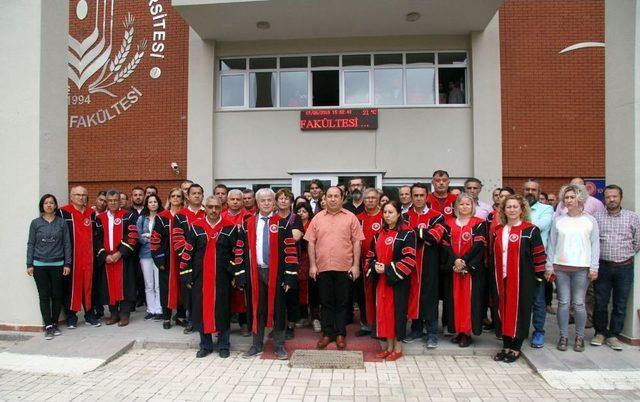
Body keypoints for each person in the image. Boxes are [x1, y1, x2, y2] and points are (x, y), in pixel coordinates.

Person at [238, 188, 299, 360]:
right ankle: (256, 345)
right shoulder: (248, 223)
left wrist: (289, 276)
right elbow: (241, 250)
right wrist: (241, 275)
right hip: (255, 272)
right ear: (257, 203)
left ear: (274, 203)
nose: (266, 203)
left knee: (279, 309)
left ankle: (279, 346)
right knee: (257, 309)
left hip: (276, 273)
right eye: (262, 200)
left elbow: (290, 251)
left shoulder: (282, 223)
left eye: (269, 200)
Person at [179, 196, 240, 359]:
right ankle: (205, 345)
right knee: (201, 309)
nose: (214, 210)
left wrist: (234, 272)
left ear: (222, 208)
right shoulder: (195, 227)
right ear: (205, 207)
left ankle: (224, 345)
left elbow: (238, 252)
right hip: (201, 277)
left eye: (217, 207)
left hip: (222, 277)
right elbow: (188, 252)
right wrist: (186, 275)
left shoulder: (230, 228)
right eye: (210, 207)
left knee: (223, 309)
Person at [305, 186, 365, 350]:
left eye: (335, 196)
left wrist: (355, 266)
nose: (332, 199)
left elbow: (357, 242)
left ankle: (340, 334)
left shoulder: (351, 217)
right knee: (326, 302)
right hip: (322, 267)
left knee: (342, 303)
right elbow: (311, 242)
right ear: (325, 198)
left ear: (342, 198)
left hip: (344, 267)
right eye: (329, 196)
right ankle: (327, 334)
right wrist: (312, 265)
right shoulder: (317, 218)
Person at [492, 195, 546, 363]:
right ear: (503, 210)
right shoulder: (499, 230)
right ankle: (506, 345)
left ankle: (516, 347)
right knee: (503, 310)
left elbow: (539, 255)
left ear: (522, 209)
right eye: (509, 207)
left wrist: (538, 277)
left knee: (520, 311)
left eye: (515, 207)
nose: (512, 210)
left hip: (523, 278)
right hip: (501, 278)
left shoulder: (530, 230)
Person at [546, 184, 599, 352]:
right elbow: (552, 245)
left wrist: (594, 267)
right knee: (563, 303)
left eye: (571, 197)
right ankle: (563, 336)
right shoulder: (559, 220)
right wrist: (549, 265)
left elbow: (595, 245)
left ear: (580, 199)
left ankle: (579, 337)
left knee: (578, 304)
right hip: (561, 267)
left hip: (581, 269)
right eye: (566, 198)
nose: (568, 200)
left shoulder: (590, 220)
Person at [365, 201, 416, 361]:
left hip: (398, 281)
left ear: (399, 214)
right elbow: (369, 257)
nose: (387, 215)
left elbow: (410, 260)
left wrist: (387, 268)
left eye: (391, 212)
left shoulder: (408, 234)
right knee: (384, 314)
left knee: (398, 314)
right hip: (381, 282)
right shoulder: (378, 234)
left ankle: (398, 348)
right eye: (385, 212)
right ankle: (388, 347)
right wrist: (374, 266)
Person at [592, 185, 640, 351]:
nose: (611, 199)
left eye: (614, 196)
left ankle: (613, 335)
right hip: (603, 266)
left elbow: (637, 241)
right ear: (604, 199)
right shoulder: (596, 217)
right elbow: (593, 241)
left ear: (620, 197)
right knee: (600, 302)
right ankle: (600, 332)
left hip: (624, 267)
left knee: (620, 303)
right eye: (608, 197)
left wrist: (625, 254)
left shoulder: (632, 217)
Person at [402, 183, 446, 348]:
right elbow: (403, 236)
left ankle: (432, 332)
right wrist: (422, 234)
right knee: (413, 295)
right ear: (411, 197)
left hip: (430, 263)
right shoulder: (405, 216)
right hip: (410, 263)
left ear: (427, 196)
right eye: (415, 195)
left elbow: (435, 237)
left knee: (430, 297)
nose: (418, 198)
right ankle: (416, 329)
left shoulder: (437, 216)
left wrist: (415, 233)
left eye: (422, 195)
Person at [442, 194, 486, 348]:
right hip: (453, 268)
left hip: (470, 270)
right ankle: (457, 331)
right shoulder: (449, 223)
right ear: (456, 207)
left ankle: (466, 332)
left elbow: (478, 246)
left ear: (472, 206)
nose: (465, 207)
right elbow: (445, 245)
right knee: (454, 300)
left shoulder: (479, 224)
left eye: (468, 204)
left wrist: (465, 262)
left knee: (468, 301)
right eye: (461, 204)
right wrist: (455, 260)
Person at [27, 194, 72, 339]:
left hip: (58, 264)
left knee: (57, 295)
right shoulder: (35, 223)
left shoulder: (61, 223)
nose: (49, 205)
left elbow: (66, 244)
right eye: (46, 203)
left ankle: (55, 323)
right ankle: (48, 326)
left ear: (55, 206)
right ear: (42, 206)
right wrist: (29, 263)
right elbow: (31, 244)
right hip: (39, 265)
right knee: (44, 296)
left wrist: (67, 263)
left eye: (52, 203)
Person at [94, 190, 139, 327]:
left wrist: (120, 253)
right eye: (110, 200)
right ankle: (113, 314)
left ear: (120, 201)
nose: (113, 203)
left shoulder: (128, 216)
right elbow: (97, 239)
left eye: (115, 200)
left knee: (125, 285)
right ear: (106, 202)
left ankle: (124, 314)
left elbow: (132, 235)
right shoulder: (100, 218)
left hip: (123, 258)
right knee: (108, 286)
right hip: (107, 259)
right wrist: (104, 255)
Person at [58, 186, 100, 328]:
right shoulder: (63, 213)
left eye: (83, 195)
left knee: (89, 286)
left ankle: (89, 315)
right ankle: (71, 316)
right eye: (77, 195)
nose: (81, 197)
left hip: (89, 258)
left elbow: (97, 235)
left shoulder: (91, 214)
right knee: (71, 286)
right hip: (72, 257)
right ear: (71, 196)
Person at [523, 179, 554, 348]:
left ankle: (539, 332)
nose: (530, 192)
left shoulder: (546, 209)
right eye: (527, 189)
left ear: (538, 192)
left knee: (538, 300)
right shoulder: (517, 208)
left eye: (533, 190)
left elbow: (538, 227)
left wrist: (516, 225)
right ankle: (521, 330)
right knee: (521, 299)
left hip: (537, 262)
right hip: (519, 261)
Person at [172, 184, 206, 333]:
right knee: (191, 292)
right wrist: (187, 257)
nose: (197, 196)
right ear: (188, 196)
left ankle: (207, 321)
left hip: (208, 259)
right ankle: (192, 321)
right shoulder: (180, 215)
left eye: (199, 193)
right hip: (188, 260)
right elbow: (178, 238)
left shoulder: (208, 212)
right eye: (194, 193)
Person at [150, 188, 184, 329]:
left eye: (178, 196)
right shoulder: (161, 216)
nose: (175, 198)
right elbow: (155, 239)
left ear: (182, 199)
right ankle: (166, 317)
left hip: (182, 257)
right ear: (169, 198)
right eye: (173, 196)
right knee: (165, 287)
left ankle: (181, 316)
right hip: (166, 258)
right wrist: (159, 260)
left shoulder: (185, 215)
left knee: (182, 287)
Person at [274, 189, 304, 340]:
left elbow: (296, 237)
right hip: (274, 262)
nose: (283, 201)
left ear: (291, 201)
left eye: (286, 198)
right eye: (280, 198)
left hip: (291, 261)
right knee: (276, 296)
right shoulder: (272, 217)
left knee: (291, 294)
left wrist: (277, 237)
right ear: (276, 201)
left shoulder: (296, 218)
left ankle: (291, 326)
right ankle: (277, 325)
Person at [222, 189, 251, 336]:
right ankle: (223, 326)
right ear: (227, 201)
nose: (235, 202)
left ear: (242, 201)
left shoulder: (249, 217)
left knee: (242, 294)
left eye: (238, 200)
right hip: (224, 261)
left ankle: (244, 324)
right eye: (232, 199)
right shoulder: (220, 217)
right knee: (224, 294)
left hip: (242, 260)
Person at [355, 188, 383, 337]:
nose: (370, 200)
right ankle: (366, 324)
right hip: (361, 263)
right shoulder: (357, 218)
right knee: (363, 295)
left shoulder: (384, 217)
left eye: (373, 198)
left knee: (379, 295)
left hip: (380, 264)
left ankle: (380, 326)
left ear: (378, 199)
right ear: (363, 200)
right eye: (367, 198)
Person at [136, 194, 164, 320]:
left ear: (159, 203)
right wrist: (147, 239)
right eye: (150, 202)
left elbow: (163, 237)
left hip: (158, 254)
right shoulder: (142, 218)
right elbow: (137, 235)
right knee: (148, 283)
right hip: (145, 254)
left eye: (155, 202)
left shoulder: (163, 217)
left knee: (158, 283)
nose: (153, 204)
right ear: (147, 204)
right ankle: (150, 309)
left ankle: (159, 309)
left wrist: (150, 236)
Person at [296, 202, 317, 331]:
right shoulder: (295, 224)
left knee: (313, 288)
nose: (301, 213)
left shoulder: (313, 224)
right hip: (298, 259)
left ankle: (315, 317)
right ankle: (303, 316)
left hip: (312, 259)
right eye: (299, 211)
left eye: (304, 211)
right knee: (299, 287)